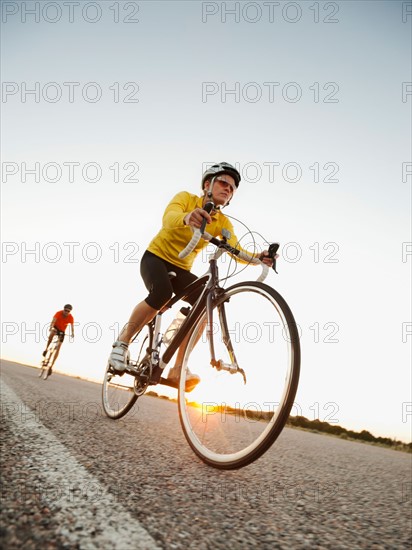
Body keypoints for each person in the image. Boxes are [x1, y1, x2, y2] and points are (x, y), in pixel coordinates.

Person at [108, 162, 274, 391]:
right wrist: (187, 217)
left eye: (233, 188)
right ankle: (122, 343)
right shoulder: (186, 198)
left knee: (204, 307)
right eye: (224, 183)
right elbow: (169, 217)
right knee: (162, 294)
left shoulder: (223, 222)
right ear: (208, 184)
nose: (228, 189)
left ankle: (178, 368)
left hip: (182, 268)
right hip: (156, 258)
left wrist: (258, 257)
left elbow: (235, 249)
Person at [42, 304, 75, 371]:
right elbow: (53, 320)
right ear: (63, 309)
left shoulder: (71, 317)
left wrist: (72, 333)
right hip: (55, 328)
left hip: (62, 331)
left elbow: (72, 326)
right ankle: (46, 349)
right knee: (51, 335)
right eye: (65, 310)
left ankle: (51, 366)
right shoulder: (58, 313)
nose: (66, 312)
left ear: (70, 312)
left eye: (68, 311)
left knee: (58, 347)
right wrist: (51, 327)